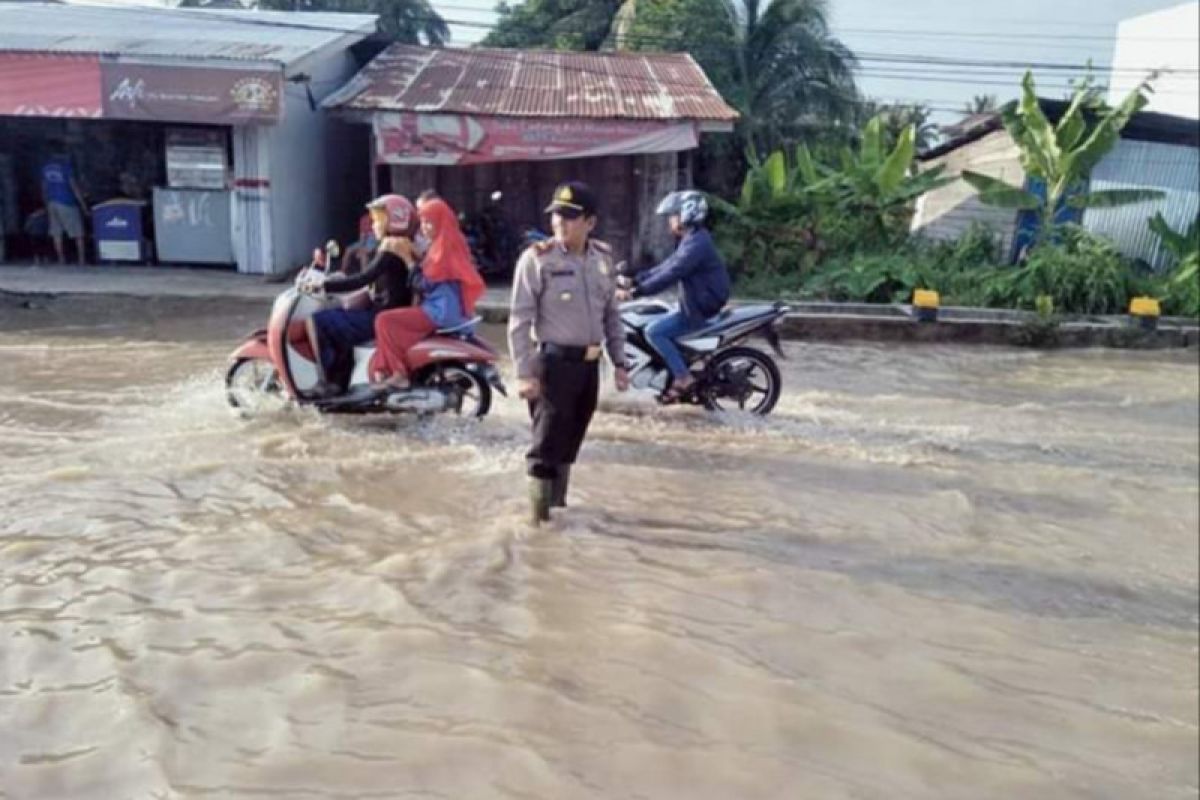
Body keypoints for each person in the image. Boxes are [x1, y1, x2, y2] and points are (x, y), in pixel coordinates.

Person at [508, 181, 629, 525]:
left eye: (570, 217)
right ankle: (537, 525)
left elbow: (611, 315)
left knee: (568, 445)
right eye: (557, 215)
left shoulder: (602, 258)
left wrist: (620, 362)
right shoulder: (537, 260)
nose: (560, 222)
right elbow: (520, 320)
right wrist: (524, 373)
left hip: (590, 367)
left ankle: (557, 514)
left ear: (590, 222)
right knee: (544, 449)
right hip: (553, 366)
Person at [615, 190, 730, 401]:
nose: (670, 220)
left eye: (673, 215)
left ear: (687, 214)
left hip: (699, 308)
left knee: (654, 332)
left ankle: (682, 376)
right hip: (696, 302)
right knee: (651, 318)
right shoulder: (692, 239)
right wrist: (636, 280)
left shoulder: (697, 244)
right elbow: (667, 266)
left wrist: (636, 292)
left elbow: (672, 273)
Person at [303, 194, 419, 396]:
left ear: (392, 220)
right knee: (340, 320)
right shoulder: (404, 244)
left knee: (319, 321)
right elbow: (375, 281)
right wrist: (339, 279)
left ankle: (327, 380)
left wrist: (324, 286)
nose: (373, 225)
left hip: (381, 315)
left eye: (377, 220)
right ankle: (340, 382)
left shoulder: (391, 247)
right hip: (390, 310)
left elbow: (364, 278)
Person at [371, 197, 486, 389]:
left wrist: (408, 261)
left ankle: (399, 374)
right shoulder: (450, 243)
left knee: (384, 320)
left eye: (429, 222)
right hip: (448, 310)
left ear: (440, 222)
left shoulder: (443, 249)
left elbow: (424, 284)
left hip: (438, 311)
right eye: (422, 222)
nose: (424, 228)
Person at [40, 145, 88, 265]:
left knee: (56, 232)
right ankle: (81, 260)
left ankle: (61, 259)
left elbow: (44, 187)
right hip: (67, 202)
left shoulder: (46, 168)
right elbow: (74, 186)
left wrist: (46, 203)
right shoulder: (66, 167)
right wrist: (83, 205)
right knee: (78, 232)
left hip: (52, 203)